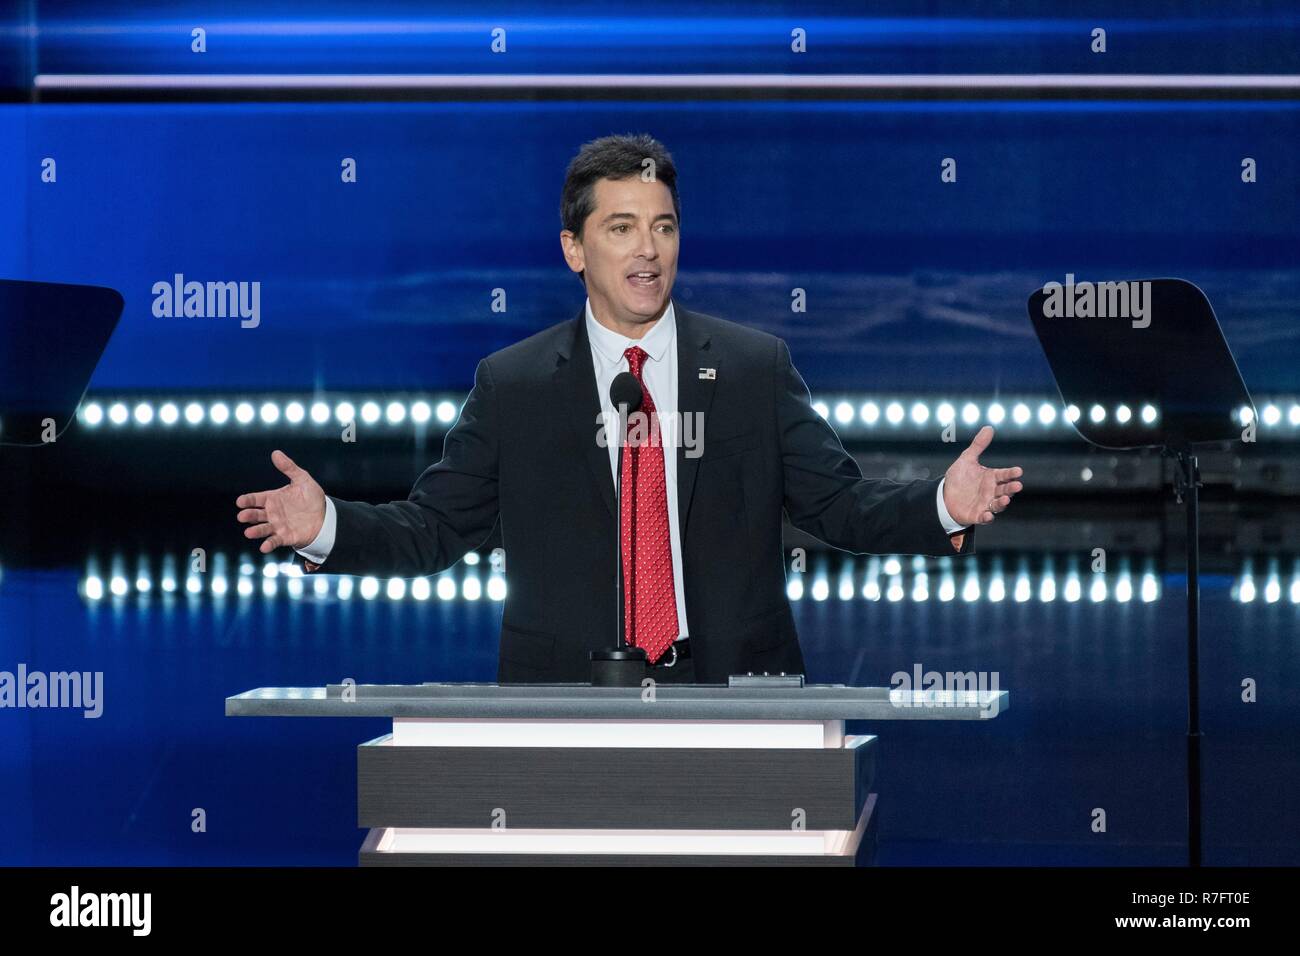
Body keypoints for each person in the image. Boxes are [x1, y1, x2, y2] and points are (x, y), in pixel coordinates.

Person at [235, 133, 1023, 684]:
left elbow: (841, 506)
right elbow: (435, 528)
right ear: (575, 249)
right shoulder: (513, 386)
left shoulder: (753, 368)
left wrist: (941, 506)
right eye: (621, 229)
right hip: (563, 704)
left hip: (733, 696)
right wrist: (327, 525)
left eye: (663, 227)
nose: (648, 250)